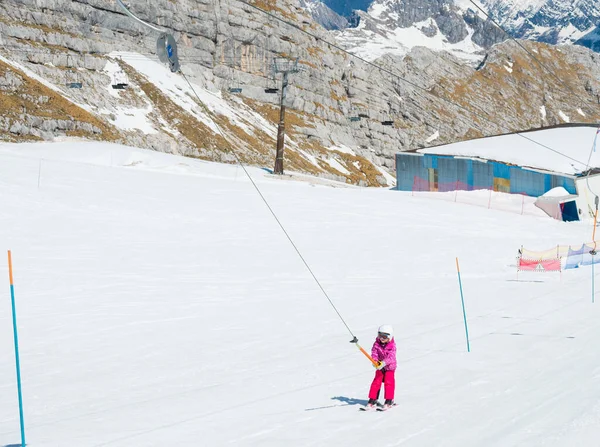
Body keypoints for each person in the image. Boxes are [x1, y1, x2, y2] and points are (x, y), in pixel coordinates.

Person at [366, 324, 396, 410]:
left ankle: (389, 400)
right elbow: (374, 352)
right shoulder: (377, 344)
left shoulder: (392, 346)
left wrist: (383, 363)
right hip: (380, 367)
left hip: (389, 367)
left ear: (389, 337)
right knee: (376, 382)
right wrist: (374, 361)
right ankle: (373, 399)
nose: (382, 338)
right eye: (380, 335)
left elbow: (391, 357)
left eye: (384, 336)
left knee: (389, 383)